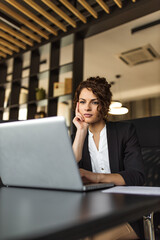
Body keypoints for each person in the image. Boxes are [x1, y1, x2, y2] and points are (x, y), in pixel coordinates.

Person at [72, 76, 145, 240]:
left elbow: (137, 175)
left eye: (94, 102)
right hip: (88, 209)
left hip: (122, 210)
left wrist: (96, 177)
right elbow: (68, 171)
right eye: (82, 102)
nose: (87, 108)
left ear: (103, 104)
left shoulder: (125, 131)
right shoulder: (77, 136)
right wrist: (81, 132)